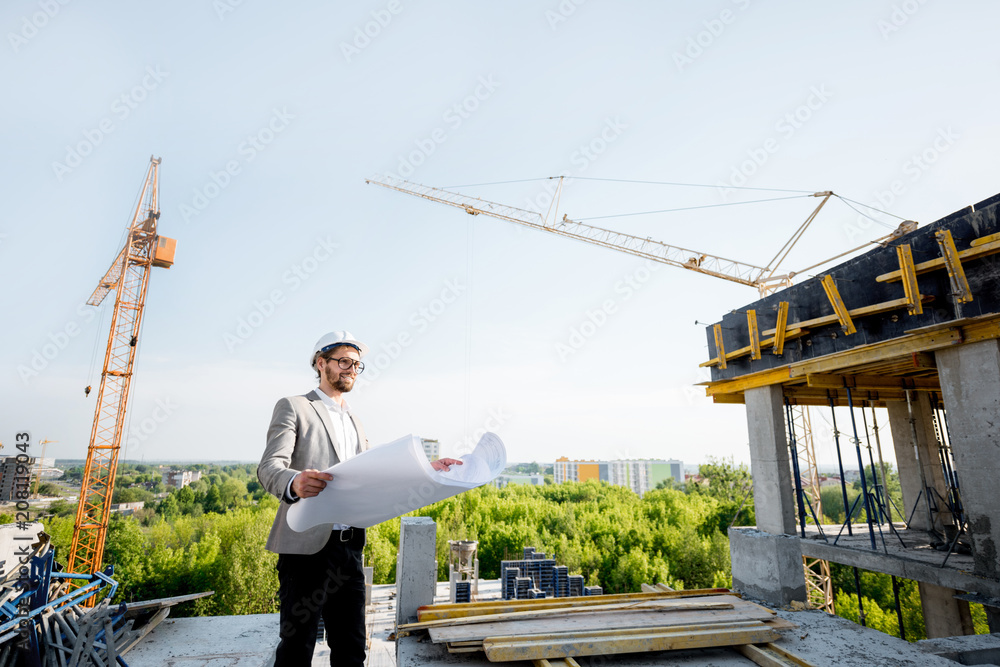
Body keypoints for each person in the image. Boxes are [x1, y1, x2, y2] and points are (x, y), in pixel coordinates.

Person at [258, 330, 461, 665]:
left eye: (357, 364)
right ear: (321, 363)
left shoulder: (355, 421)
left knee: (352, 648)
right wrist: (295, 482)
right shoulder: (295, 407)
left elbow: (376, 474)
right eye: (344, 362)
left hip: (349, 549)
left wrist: (429, 468)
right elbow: (269, 468)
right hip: (305, 549)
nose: (352, 369)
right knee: (297, 648)